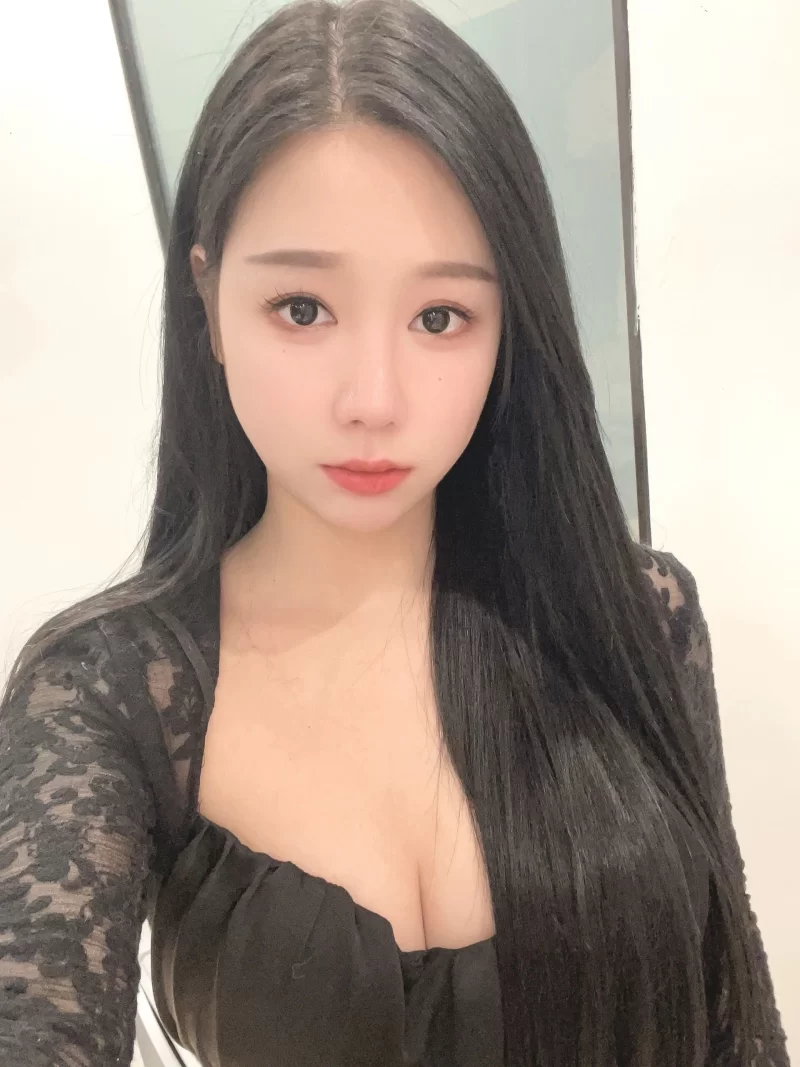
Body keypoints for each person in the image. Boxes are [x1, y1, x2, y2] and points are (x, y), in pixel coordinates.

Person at [0, 0, 790, 1064]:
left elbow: (739, 1016)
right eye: (302, 308)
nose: (372, 400)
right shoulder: (107, 693)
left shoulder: (639, 614)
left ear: (508, 326)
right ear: (208, 295)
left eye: (439, 317)